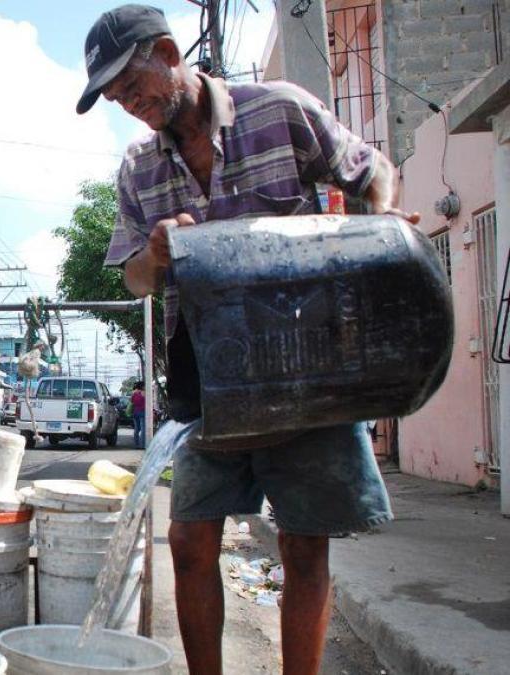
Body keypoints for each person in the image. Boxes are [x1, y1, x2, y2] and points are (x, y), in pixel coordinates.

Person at [75, 6, 409, 674]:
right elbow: (137, 280)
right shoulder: (138, 169)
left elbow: (373, 173)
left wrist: (381, 233)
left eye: (134, 87)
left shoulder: (281, 112)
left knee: (305, 548)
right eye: (118, 99)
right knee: (190, 539)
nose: (131, 106)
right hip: (210, 383)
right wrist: (159, 252)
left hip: (302, 374)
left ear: (169, 52)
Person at [130, 381, 146, 448]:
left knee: (136, 429)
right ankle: (143, 445)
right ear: (142, 386)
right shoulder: (143, 393)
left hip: (135, 412)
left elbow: (131, 401)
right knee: (143, 429)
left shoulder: (133, 393)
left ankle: (137, 444)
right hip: (142, 412)